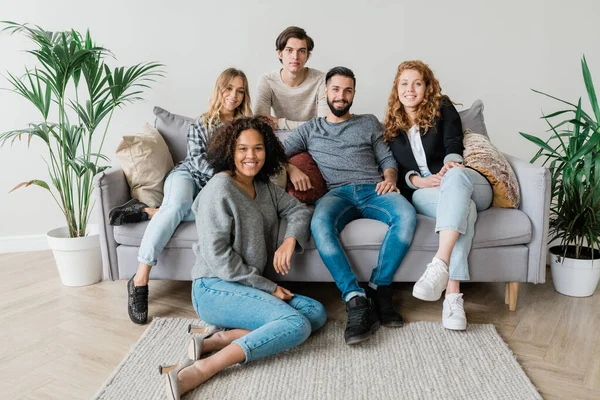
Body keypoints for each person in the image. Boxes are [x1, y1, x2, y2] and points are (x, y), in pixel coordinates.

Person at [160, 116, 326, 399]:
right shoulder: (219, 188)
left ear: (268, 151)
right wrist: (269, 287)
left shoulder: (265, 188)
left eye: (258, 148)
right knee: (296, 324)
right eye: (243, 149)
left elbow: (300, 211)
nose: (251, 156)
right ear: (230, 152)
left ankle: (217, 339)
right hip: (213, 287)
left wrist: (289, 241)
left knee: (315, 313)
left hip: (245, 286)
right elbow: (218, 256)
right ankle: (205, 368)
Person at [284, 66, 417, 345]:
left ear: (354, 94)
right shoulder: (311, 129)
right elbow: (274, 154)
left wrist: (391, 178)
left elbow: (387, 160)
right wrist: (291, 170)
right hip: (337, 194)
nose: (341, 95)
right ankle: (354, 298)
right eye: (336, 89)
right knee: (319, 223)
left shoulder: (368, 122)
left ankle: (379, 288)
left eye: (347, 90)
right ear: (326, 92)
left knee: (406, 214)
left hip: (374, 188)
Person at [112, 68, 253, 325]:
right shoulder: (201, 123)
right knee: (177, 205)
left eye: (240, 90)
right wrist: (226, 179)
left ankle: (149, 212)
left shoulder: (245, 128)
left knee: (201, 213)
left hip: (215, 189)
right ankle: (140, 278)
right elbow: (198, 161)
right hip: (187, 176)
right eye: (228, 88)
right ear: (219, 90)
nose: (233, 95)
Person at [383, 60, 493, 330]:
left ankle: (439, 264)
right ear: (397, 89)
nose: (410, 89)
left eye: (417, 83)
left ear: (427, 86)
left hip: (465, 182)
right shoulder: (391, 128)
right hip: (425, 191)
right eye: (404, 83)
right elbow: (397, 169)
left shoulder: (442, 108)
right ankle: (453, 296)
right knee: (463, 210)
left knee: (456, 179)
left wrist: (449, 166)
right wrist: (419, 181)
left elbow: (453, 142)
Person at [254, 26, 327, 130]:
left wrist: (279, 123)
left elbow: (324, 126)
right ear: (280, 53)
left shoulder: (322, 80)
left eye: (301, 51)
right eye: (289, 50)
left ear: (307, 55)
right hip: (278, 141)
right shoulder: (267, 81)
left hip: (313, 141)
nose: (295, 56)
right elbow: (260, 123)